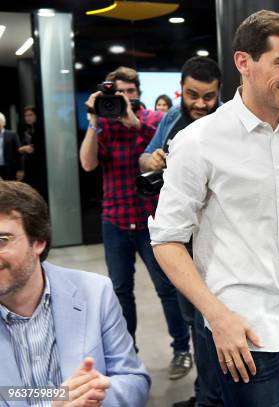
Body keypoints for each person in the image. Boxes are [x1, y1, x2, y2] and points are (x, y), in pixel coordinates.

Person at [149, 10, 279, 407]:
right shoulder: (198, 142)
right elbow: (167, 241)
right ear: (243, 62)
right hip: (241, 331)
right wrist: (218, 316)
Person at [79, 66, 192, 380]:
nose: (124, 98)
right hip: (115, 220)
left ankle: (182, 349)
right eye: (118, 93)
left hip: (152, 221)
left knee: (168, 289)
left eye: (130, 92)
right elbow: (87, 163)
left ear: (138, 93)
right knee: (120, 292)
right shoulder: (103, 124)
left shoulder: (154, 119)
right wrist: (93, 121)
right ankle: (127, 357)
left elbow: (160, 145)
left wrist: (132, 120)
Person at [0, 181, 150, 406]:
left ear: (38, 242)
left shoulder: (94, 293)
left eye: (2, 240)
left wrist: (92, 396)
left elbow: (134, 381)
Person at [141, 56, 223, 407]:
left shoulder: (230, 121)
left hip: (220, 241)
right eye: (193, 95)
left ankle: (217, 396)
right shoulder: (173, 117)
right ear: (181, 89)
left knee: (218, 322)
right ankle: (205, 394)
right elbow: (144, 159)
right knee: (193, 320)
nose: (201, 104)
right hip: (181, 240)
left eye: (209, 96)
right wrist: (154, 159)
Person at [18, 106, 47, 199]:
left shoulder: (41, 130)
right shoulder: (26, 130)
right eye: (26, 115)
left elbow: (34, 149)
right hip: (29, 168)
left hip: (40, 168)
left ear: (36, 115)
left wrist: (23, 149)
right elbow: (22, 149)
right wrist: (22, 149)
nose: (28, 117)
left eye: (30, 115)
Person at [0, 112, 22, 181]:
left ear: (4, 123)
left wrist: (21, 169)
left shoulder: (12, 135)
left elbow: (20, 153)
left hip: (9, 170)